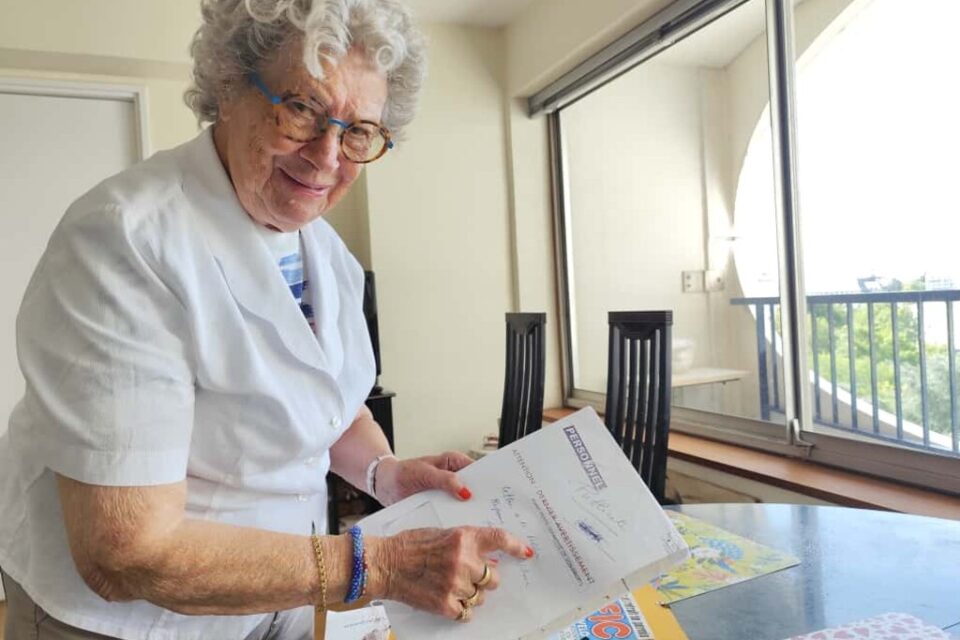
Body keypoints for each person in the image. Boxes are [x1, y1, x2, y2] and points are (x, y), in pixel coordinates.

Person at [0, 1, 532, 638]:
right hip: (129, 622)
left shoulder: (323, 249)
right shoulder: (123, 239)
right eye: (302, 109)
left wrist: (384, 473)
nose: (327, 157)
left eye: (359, 131)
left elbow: (325, 406)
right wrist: (380, 564)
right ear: (228, 88)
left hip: (273, 599)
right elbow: (126, 552)